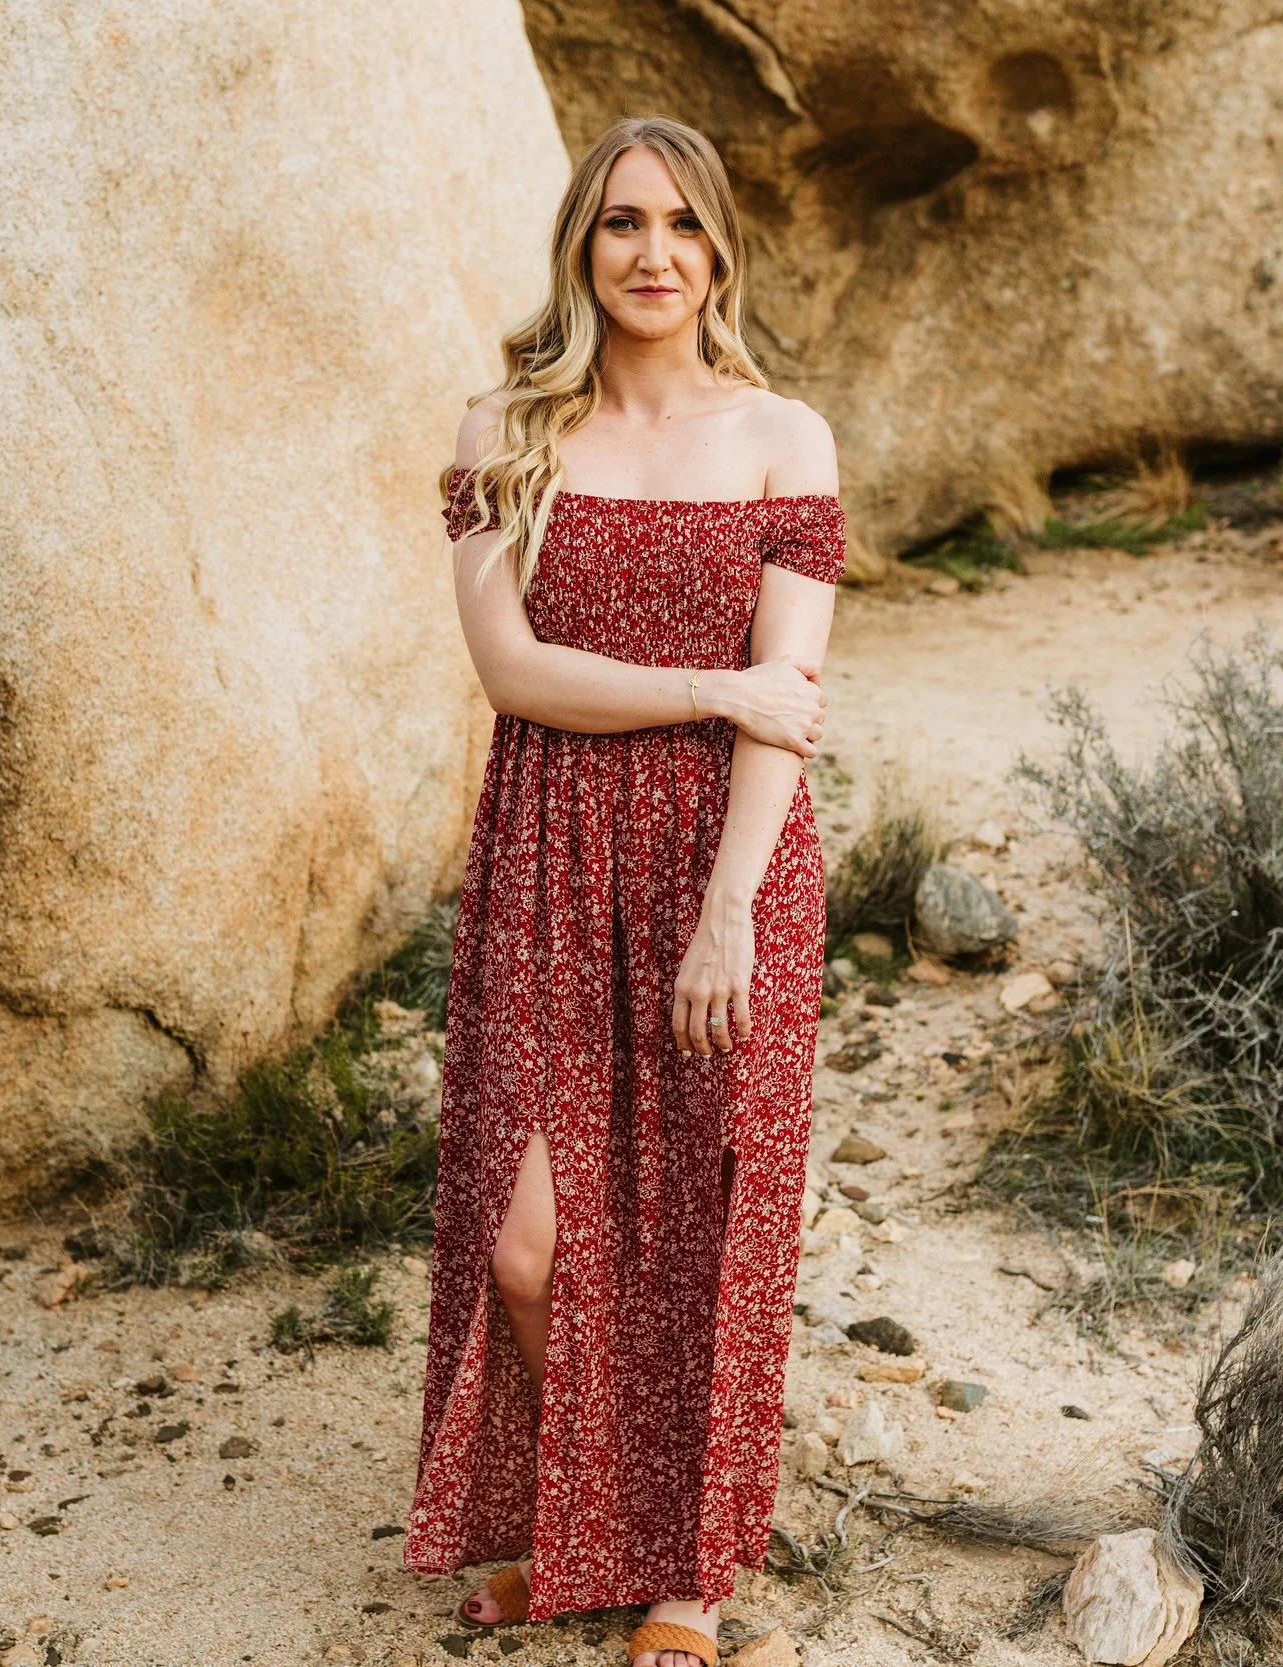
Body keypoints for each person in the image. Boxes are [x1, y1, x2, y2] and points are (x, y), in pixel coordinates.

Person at [403, 114, 844, 1667]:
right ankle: (594, 1510)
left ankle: (686, 1574)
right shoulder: (501, 431)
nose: (651, 254)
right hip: (545, 855)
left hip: (731, 866)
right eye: (620, 224)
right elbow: (512, 670)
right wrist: (715, 690)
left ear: (719, 249)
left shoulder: (787, 436)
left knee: (707, 1226)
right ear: (580, 246)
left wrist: (731, 903)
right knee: (532, 1235)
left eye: (680, 226)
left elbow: (789, 715)